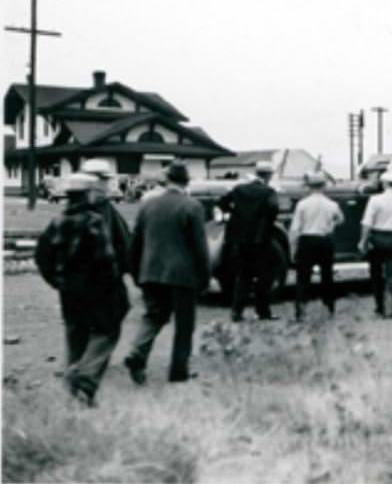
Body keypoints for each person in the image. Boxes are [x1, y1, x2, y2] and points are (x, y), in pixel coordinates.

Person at [34, 173, 124, 406]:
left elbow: (42, 257)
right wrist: (112, 286)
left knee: (75, 335)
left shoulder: (57, 221)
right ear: (87, 194)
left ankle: (74, 393)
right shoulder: (94, 221)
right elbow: (107, 259)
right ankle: (85, 376)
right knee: (106, 332)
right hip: (96, 289)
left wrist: (55, 280)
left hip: (69, 290)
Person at [124, 161, 210, 384]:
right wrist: (204, 276)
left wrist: (136, 273)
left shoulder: (147, 206)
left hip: (150, 272)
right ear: (186, 181)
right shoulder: (193, 207)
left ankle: (138, 353)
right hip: (182, 276)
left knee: (153, 316)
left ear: (166, 181)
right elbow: (200, 247)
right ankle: (178, 373)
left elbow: (135, 243)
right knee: (184, 326)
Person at [217, 160, 280, 322]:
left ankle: (236, 312)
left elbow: (221, 203)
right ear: (268, 176)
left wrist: (236, 214)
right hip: (261, 239)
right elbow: (273, 210)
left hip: (240, 240)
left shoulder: (239, 189)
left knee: (243, 276)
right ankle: (263, 312)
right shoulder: (268, 192)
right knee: (264, 276)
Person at [80, 159, 131, 331]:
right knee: (107, 331)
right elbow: (122, 242)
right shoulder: (101, 210)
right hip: (102, 281)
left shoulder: (74, 207)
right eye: (105, 180)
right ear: (95, 182)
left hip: (77, 284)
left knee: (79, 333)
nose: (108, 183)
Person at [289, 171, 344, 321]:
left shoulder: (302, 204)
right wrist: (331, 225)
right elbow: (340, 219)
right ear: (324, 186)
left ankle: (301, 311)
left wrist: (293, 248)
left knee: (303, 278)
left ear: (309, 186)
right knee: (327, 276)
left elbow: (295, 228)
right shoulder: (332, 204)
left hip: (307, 240)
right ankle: (329, 309)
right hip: (324, 240)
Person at [358, 171, 392, 318]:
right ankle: (391, 309)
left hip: (376, 239)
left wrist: (363, 241)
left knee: (376, 275)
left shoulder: (375, 200)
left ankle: (379, 307)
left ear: (384, 184)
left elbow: (367, 223)